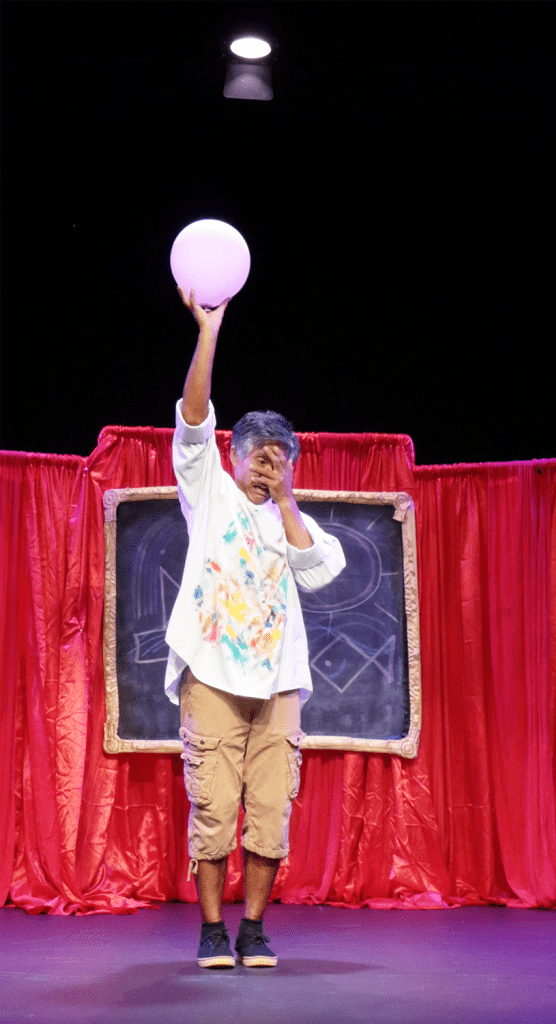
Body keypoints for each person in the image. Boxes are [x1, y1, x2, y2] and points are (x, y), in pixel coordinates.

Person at [164, 286, 345, 969]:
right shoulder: (207, 491)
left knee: (270, 813)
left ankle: (253, 929)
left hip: (276, 688)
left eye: (280, 459)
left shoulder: (288, 518)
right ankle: (212, 930)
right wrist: (208, 333)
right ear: (233, 455)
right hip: (211, 676)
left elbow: (321, 571)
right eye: (259, 456)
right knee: (213, 809)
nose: (268, 467)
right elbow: (190, 417)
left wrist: (290, 498)